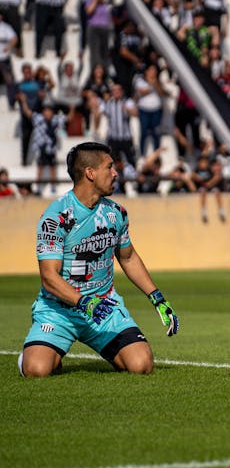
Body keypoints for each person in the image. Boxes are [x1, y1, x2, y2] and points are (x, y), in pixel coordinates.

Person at [18, 142, 179, 377]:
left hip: (105, 309)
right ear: (90, 173)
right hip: (59, 311)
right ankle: (38, 354)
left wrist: (158, 298)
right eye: (110, 167)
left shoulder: (117, 213)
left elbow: (129, 256)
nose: (116, 173)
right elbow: (49, 278)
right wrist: (85, 303)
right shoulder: (56, 216)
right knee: (36, 370)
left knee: (141, 365)